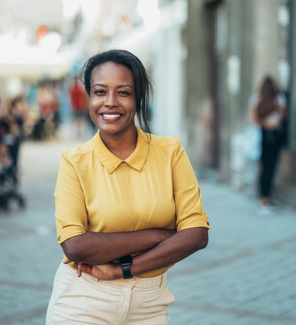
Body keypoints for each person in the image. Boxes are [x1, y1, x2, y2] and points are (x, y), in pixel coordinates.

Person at [46, 49, 210, 324]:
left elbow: (196, 235)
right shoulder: (74, 162)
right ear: (89, 96)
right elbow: (75, 246)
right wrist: (160, 235)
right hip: (83, 301)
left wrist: (125, 269)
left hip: (151, 305)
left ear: (139, 98)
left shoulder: (170, 152)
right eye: (100, 92)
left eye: (123, 92)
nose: (110, 103)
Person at [250, 75, 287, 215]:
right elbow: (283, 116)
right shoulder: (278, 98)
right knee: (270, 169)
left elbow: (253, 118)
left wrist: (264, 122)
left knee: (264, 168)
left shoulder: (257, 99)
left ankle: (264, 200)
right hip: (274, 137)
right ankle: (265, 200)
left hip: (263, 136)